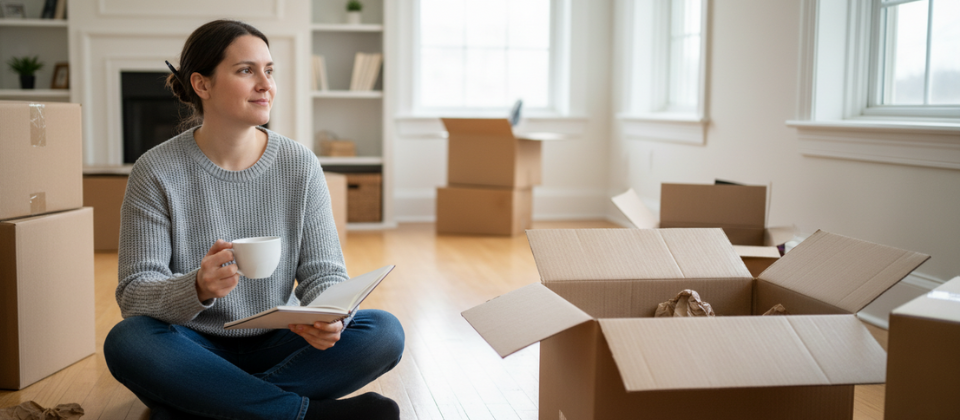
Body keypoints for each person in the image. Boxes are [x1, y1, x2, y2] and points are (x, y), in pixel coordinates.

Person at [102, 20, 404, 420]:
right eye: (247, 70)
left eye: (270, 70)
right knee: (128, 341)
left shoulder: (299, 164)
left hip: (282, 340)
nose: (266, 84)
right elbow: (136, 292)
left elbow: (324, 272)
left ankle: (207, 405)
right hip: (192, 344)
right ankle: (304, 415)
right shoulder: (155, 170)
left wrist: (329, 317)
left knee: (383, 332)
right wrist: (196, 286)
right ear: (202, 85)